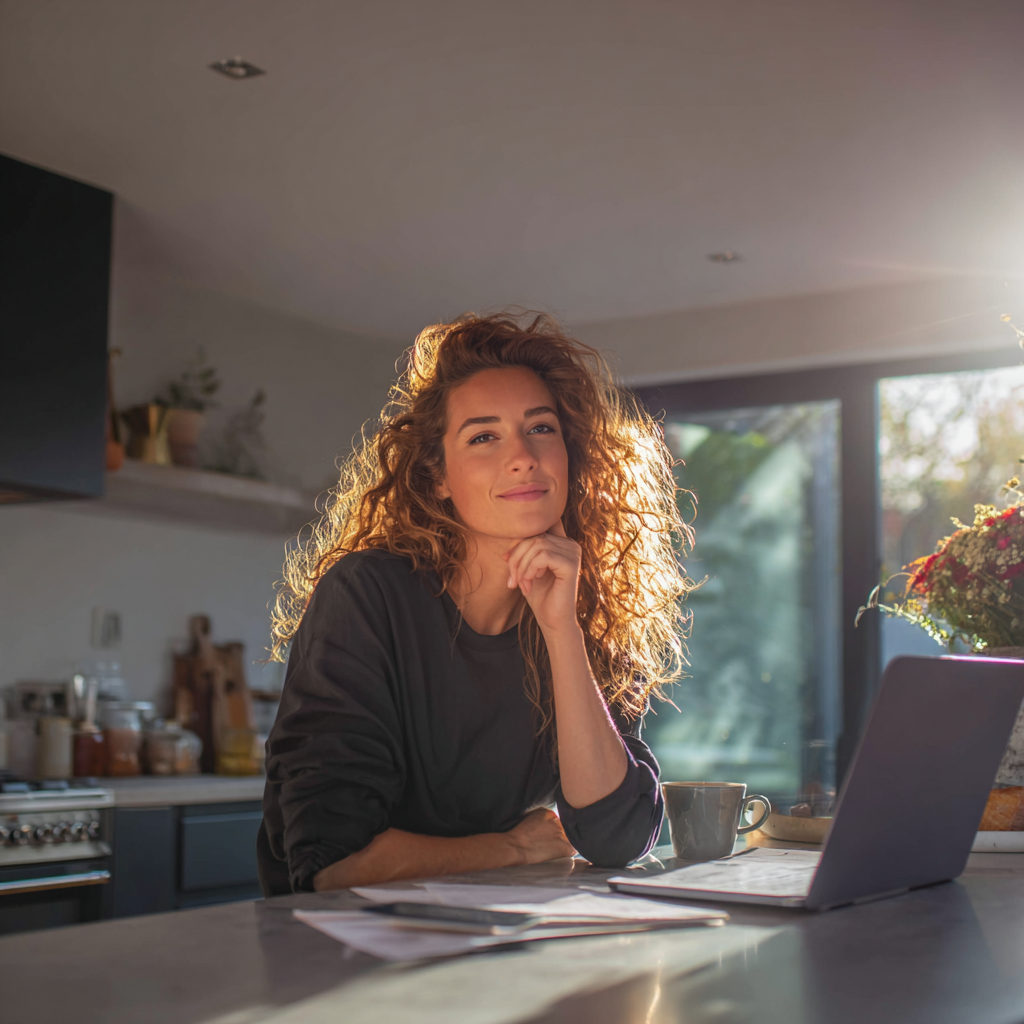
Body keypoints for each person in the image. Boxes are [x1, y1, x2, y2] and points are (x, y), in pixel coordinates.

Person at [257, 311, 695, 895]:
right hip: (344, 959)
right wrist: (514, 848)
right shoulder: (367, 596)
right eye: (484, 436)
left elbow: (615, 838)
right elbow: (338, 866)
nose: (523, 456)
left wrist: (562, 630)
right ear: (438, 476)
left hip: (496, 946)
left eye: (541, 428)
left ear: (571, 455)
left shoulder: (583, 610)